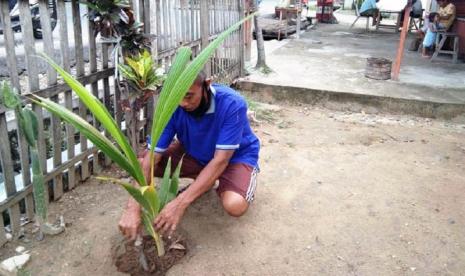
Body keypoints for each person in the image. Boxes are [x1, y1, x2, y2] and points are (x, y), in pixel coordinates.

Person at [118, 71, 261, 240]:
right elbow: (152, 157)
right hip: (194, 152)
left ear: (207, 84)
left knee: (235, 205)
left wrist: (179, 203)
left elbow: (221, 160)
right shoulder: (172, 106)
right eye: (178, 97)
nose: (183, 103)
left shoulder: (232, 104)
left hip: (234, 158)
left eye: (189, 96)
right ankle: (204, 180)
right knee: (142, 161)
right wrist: (133, 205)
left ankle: (224, 179)